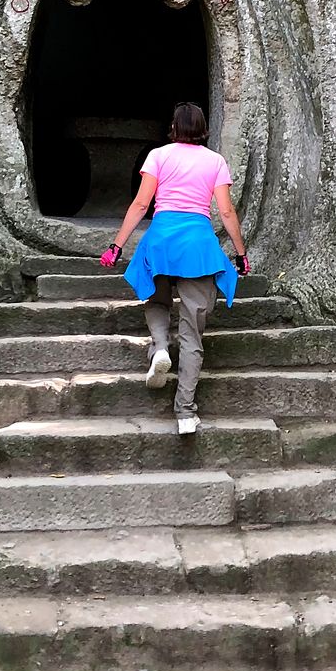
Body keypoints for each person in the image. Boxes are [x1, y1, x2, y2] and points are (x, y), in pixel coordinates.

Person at [99, 102, 249, 435]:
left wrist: (116, 245)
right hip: (197, 244)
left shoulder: (159, 155)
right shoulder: (215, 161)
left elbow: (141, 204)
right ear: (203, 128)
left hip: (162, 240)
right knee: (193, 332)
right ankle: (184, 412)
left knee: (156, 299)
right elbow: (225, 212)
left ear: (174, 126)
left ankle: (161, 348)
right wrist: (240, 254)